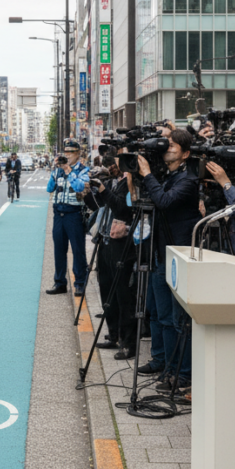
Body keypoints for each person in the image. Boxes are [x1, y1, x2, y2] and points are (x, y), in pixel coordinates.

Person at [133, 128, 203, 388]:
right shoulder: (169, 176)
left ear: (185, 153)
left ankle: (182, 373)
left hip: (178, 255)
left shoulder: (188, 180)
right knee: (159, 313)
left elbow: (163, 201)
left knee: (178, 320)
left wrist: (148, 174)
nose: (166, 148)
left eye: (172, 145)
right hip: (160, 252)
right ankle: (163, 362)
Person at [82, 154, 138, 359]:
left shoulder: (132, 183)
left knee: (123, 294)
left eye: (116, 163)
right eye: (112, 163)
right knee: (107, 291)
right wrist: (90, 192)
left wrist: (104, 190)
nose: (112, 167)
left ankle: (127, 342)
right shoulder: (117, 181)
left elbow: (122, 209)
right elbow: (98, 207)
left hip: (122, 244)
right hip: (105, 240)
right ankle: (113, 334)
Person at [45, 140, 90, 296]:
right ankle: (59, 283)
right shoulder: (58, 171)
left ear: (78, 154)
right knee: (59, 250)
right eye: (66, 152)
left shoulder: (83, 170)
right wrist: (54, 170)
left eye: (70, 152)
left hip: (74, 213)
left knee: (78, 250)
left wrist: (68, 170)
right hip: (58, 213)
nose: (67, 155)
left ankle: (79, 283)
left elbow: (79, 187)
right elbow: (49, 188)